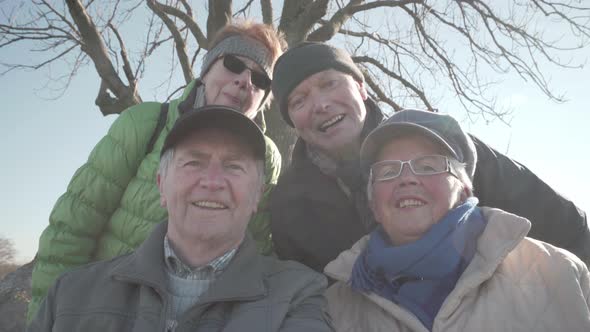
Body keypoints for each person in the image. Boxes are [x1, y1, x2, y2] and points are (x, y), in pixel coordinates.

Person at [28, 20, 287, 321]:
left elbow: (257, 248)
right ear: (206, 70)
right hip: (108, 309)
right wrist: (50, 317)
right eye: (233, 64)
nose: (245, 81)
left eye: (260, 79)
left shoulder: (267, 158)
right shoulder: (145, 123)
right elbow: (73, 226)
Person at [269, 41, 589, 272]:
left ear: (361, 89)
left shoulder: (445, 144)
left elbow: (565, 225)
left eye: (329, 83)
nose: (320, 104)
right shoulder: (288, 206)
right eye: (299, 100)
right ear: (293, 123)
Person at [27, 105, 335, 332]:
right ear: (162, 186)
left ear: (258, 195)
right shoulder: (69, 295)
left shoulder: (299, 295)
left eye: (234, 167)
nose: (212, 181)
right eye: (193, 163)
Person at [324, 109, 590, 331]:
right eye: (388, 171)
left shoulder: (560, 272)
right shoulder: (335, 308)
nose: (406, 178)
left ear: (464, 190)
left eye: (428, 166)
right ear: (374, 205)